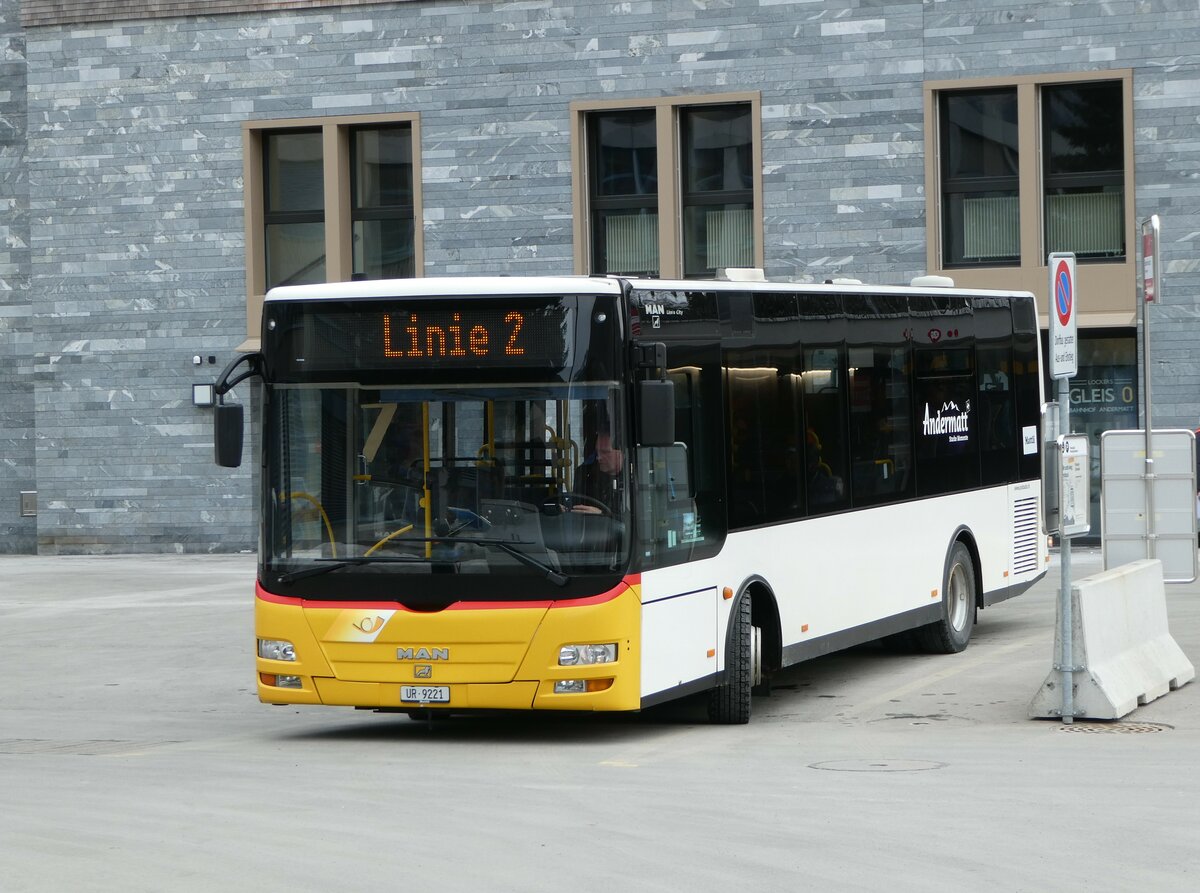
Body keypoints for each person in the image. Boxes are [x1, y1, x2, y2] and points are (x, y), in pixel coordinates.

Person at [572, 430, 623, 514]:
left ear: (621, 453)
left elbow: (632, 517)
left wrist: (602, 514)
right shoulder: (585, 475)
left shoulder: (633, 479)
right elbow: (576, 505)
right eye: (597, 452)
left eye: (605, 452)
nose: (598, 457)